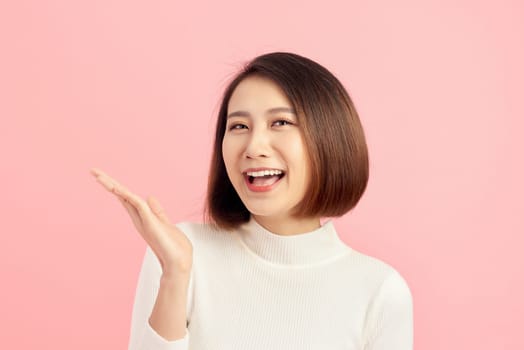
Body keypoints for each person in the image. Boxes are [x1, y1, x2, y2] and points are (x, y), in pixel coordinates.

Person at [91, 52, 414, 350]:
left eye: (281, 123)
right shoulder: (181, 252)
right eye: (239, 126)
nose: (254, 146)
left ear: (330, 138)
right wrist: (175, 273)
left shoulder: (379, 290)